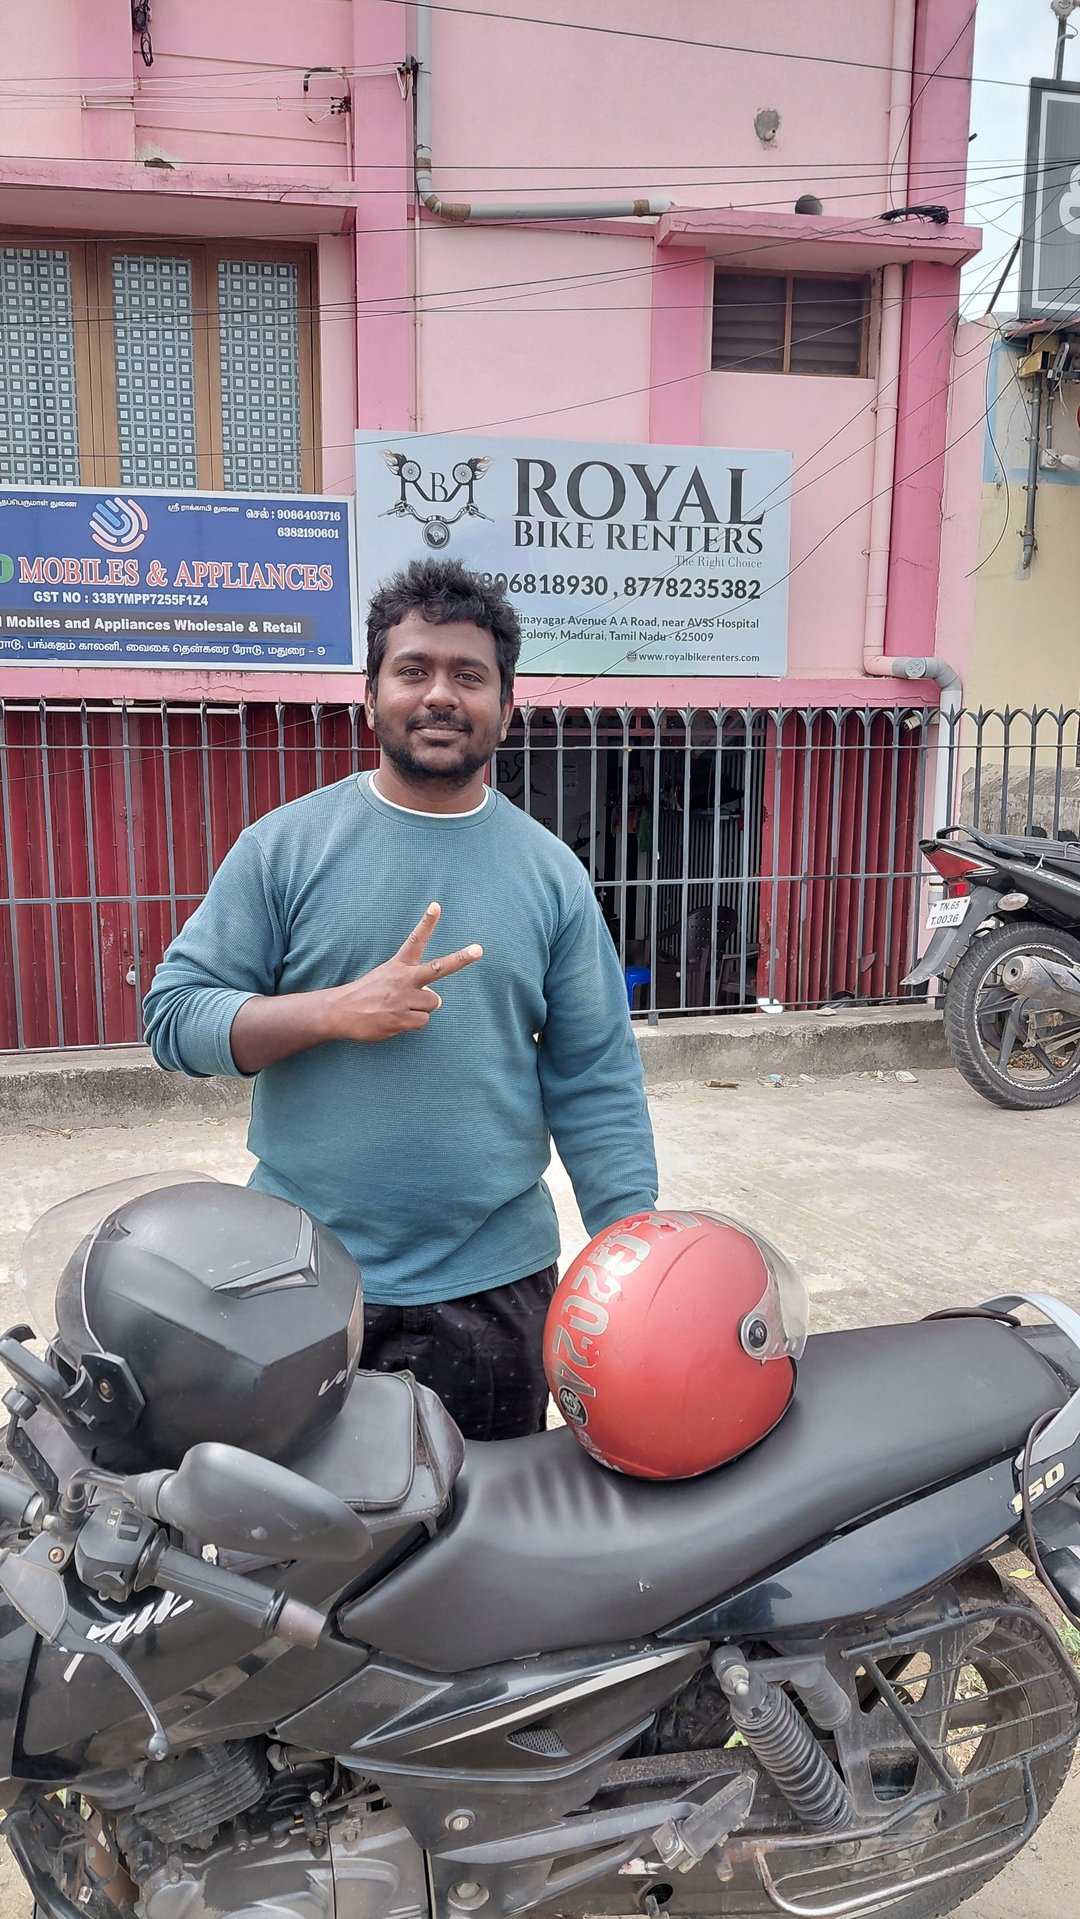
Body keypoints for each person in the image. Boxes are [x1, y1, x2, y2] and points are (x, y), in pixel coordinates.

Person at [143, 557, 658, 1439]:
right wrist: (333, 1010)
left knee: (489, 1518)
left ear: (506, 704)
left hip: (496, 1288)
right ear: (371, 695)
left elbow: (596, 1080)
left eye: (469, 675)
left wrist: (636, 1258)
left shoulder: (552, 875)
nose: (440, 694)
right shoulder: (284, 849)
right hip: (300, 1280)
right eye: (413, 669)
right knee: (301, 1524)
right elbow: (173, 1017)